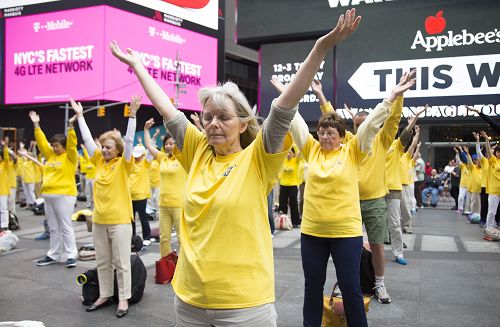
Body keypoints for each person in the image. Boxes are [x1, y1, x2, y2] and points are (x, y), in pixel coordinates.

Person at [110, 8, 363, 326]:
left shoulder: (259, 156)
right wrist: (137, 66)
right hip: (189, 301)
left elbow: (284, 105)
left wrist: (321, 48)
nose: (213, 124)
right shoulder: (197, 149)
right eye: (208, 117)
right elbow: (165, 107)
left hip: (245, 306)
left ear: (243, 123)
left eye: (223, 117)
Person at [71, 96, 139, 318]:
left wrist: (132, 116)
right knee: (103, 262)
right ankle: (105, 294)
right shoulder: (99, 161)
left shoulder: (124, 163)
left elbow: (128, 142)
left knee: (122, 262)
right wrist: (81, 117)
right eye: (103, 147)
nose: (104, 150)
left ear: (117, 149)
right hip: (99, 219)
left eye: (108, 147)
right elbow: (88, 139)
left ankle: (123, 299)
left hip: (120, 220)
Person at [29, 111, 78, 268]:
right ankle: (54, 254)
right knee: (53, 227)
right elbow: (42, 142)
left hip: (65, 195)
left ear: (64, 146)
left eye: (57, 146)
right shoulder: (50, 156)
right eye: (53, 145)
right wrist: (36, 125)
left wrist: (71, 127)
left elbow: (72, 144)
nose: (54, 148)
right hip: (48, 196)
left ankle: (71, 255)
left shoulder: (70, 157)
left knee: (65, 226)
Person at [143, 119, 187, 258]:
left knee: (182, 239)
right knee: (164, 238)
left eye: (172, 144)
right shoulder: (162, 158)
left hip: (178, 205)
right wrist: (145, 129)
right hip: (163, 205)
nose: (169, 146)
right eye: (167, 144)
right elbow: (149, 146)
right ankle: (165, 266)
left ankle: (183, 268)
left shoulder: (183, 158)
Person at [479, 131, 499, 233]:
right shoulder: (493, 160)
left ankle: (495, 226)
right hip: (494, 191)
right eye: (498, 152)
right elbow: (488, 151)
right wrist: (487, 139)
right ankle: (489, 229)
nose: (499, 153)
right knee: (491, 212)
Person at [278, 146, 302, 228]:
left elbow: (300, 151)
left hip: (293, 185)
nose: (288, 154)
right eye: (287, 153)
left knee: (293, 204)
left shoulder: (296, 161)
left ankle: (296, 222)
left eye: (290, 153)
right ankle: (282, 222)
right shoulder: (283, 160)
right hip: (283, 185)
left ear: (293, 154)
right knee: (282, 204)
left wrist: (294, 143)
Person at [0, 140, 13, 230]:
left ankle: (4, 226)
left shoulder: (5, 165)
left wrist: (5, 147)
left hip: (2, 190)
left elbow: (7, 157)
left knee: (3, 209)